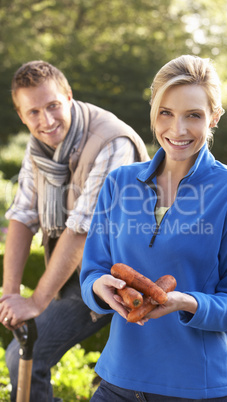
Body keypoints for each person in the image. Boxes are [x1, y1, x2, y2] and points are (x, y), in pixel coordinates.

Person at [80, 54, 227, 402]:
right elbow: (92, 270)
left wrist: (186, 302)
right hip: (118, 380)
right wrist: (98, 287)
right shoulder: (119, 183)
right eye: (166, 112)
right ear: (153, 111)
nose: (177, 130)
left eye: (193, 115)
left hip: (197, 388)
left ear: (214, 118)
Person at [0, 60, 150, 402]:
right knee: (21, 356)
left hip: (118, 276)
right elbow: (22, 215)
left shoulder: (112, 142)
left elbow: (83, 230)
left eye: (53, 106)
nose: (46, 120)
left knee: (24, 356)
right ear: (22, 116)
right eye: (33, 112)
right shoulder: (39, 146)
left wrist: (37, 301)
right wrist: (10, 295)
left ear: (68, 96)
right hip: (75, 270)